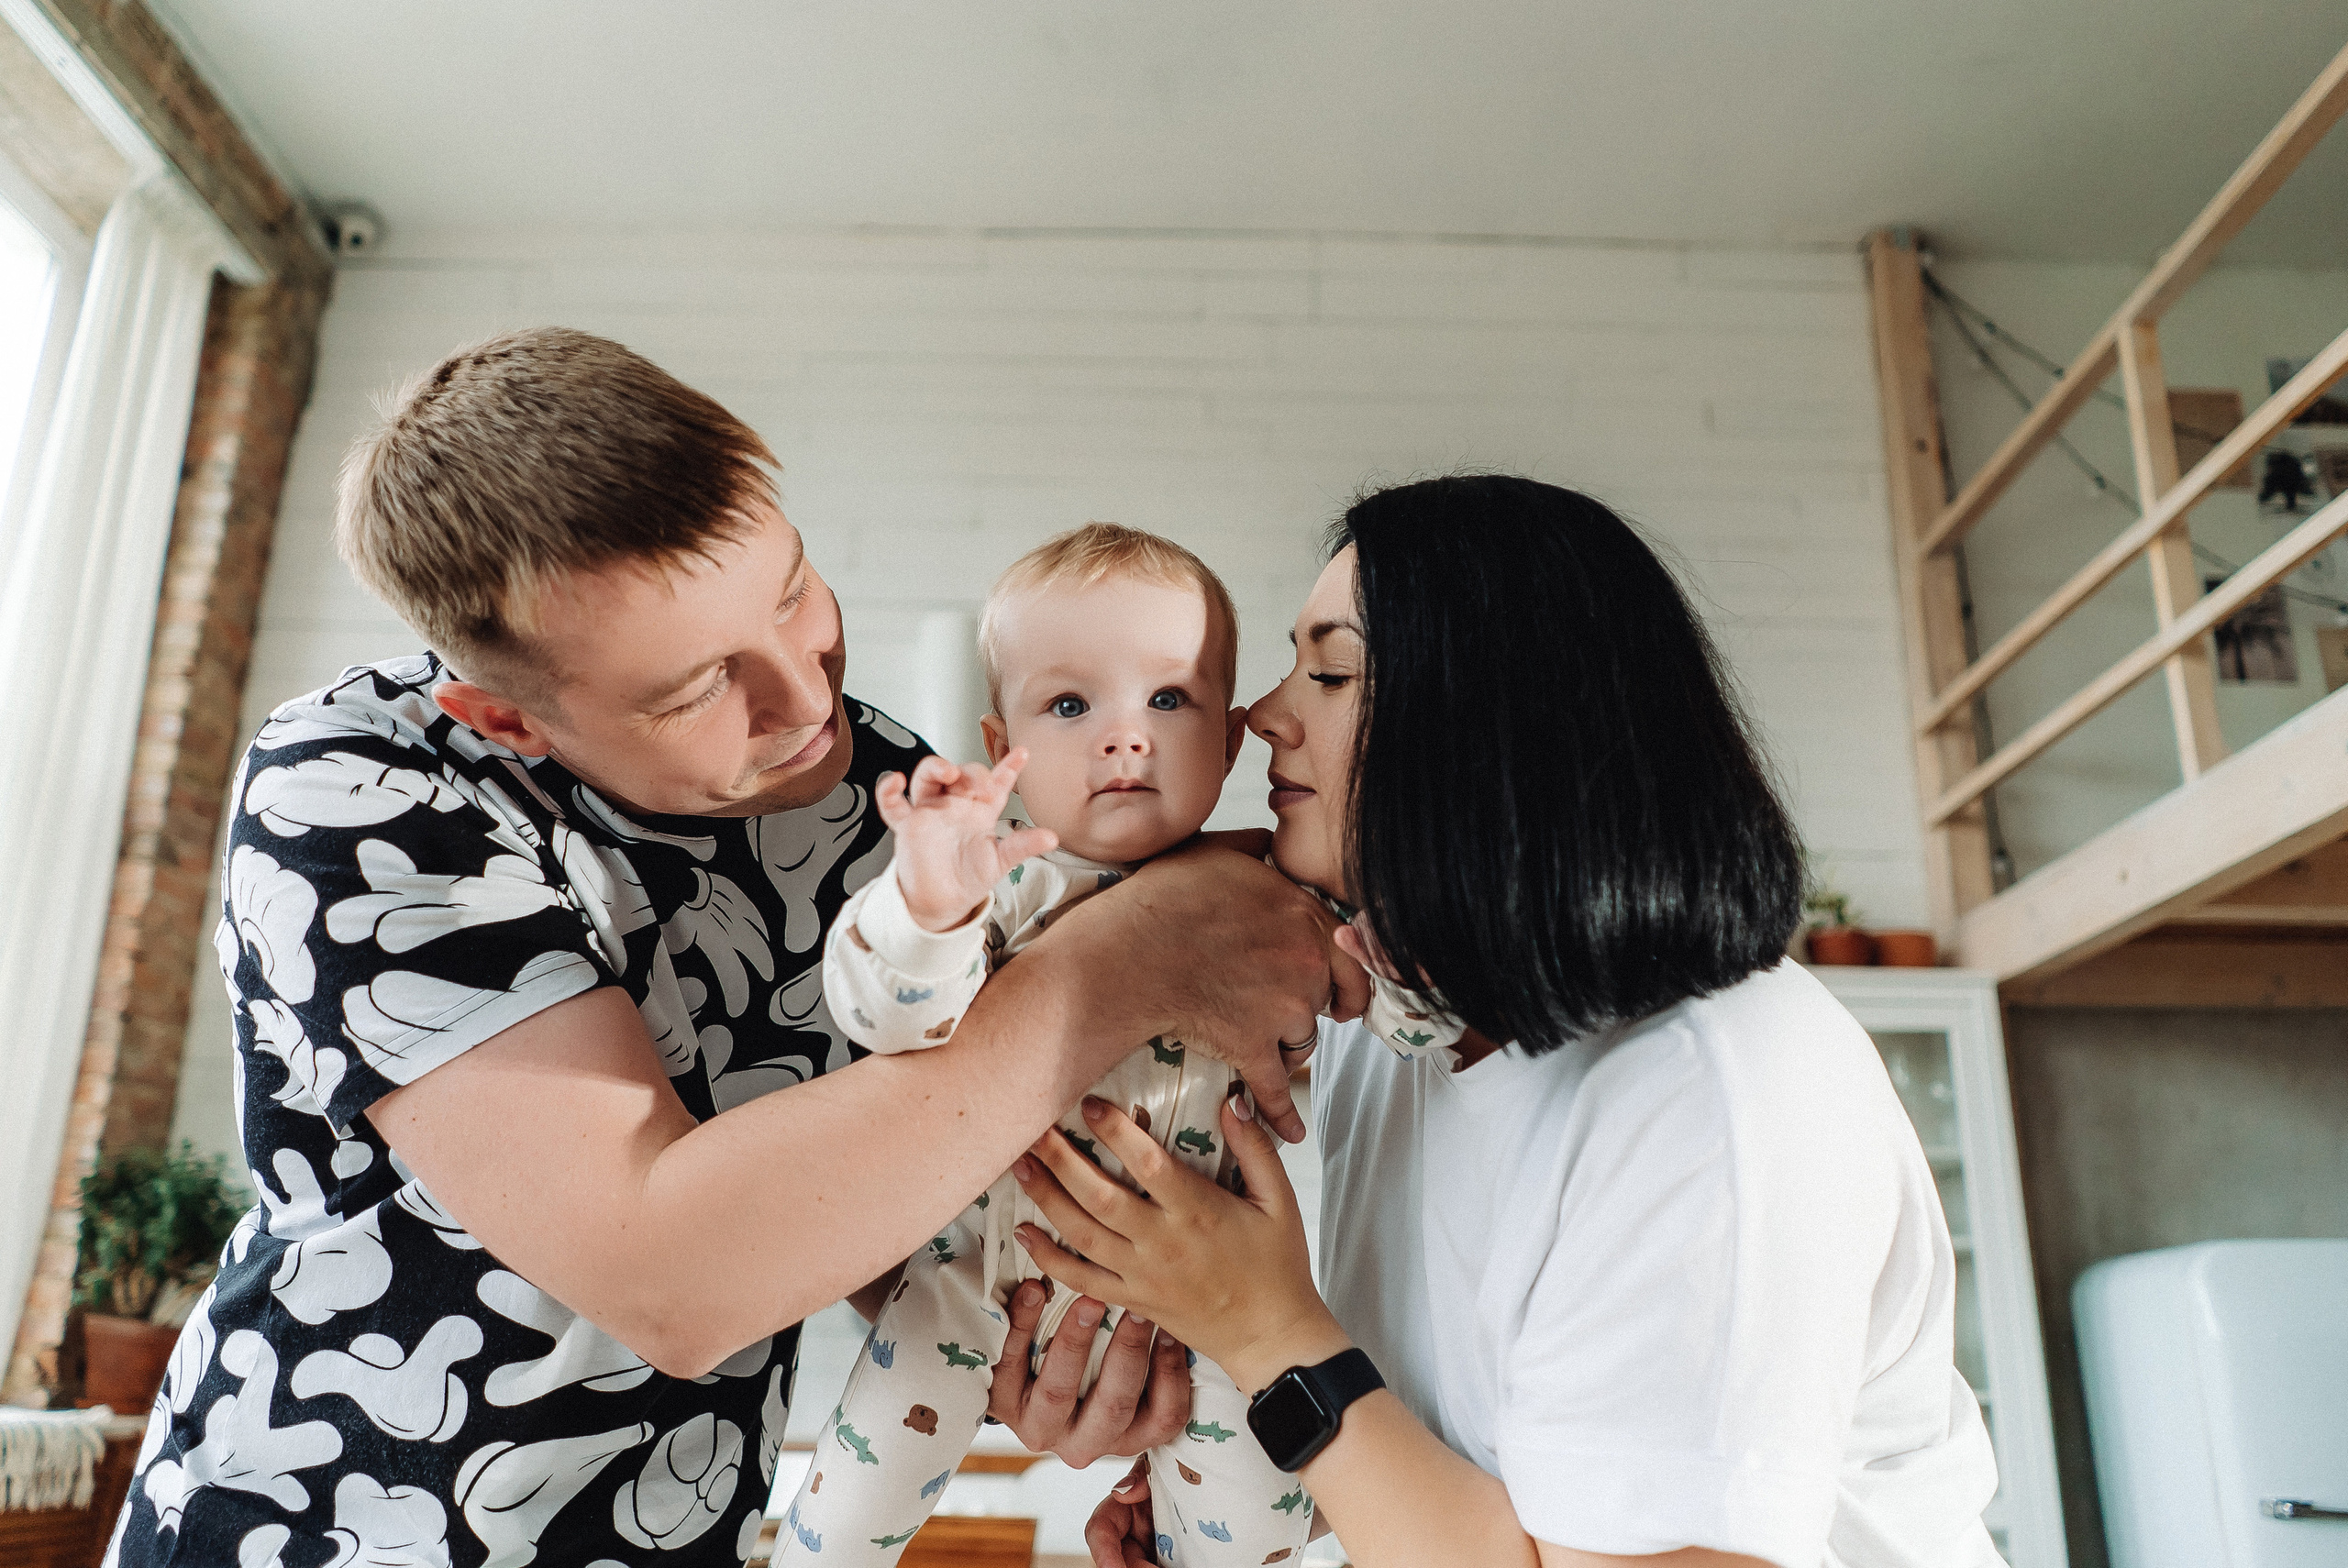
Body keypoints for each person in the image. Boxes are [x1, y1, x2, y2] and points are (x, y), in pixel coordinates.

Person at [105, 329, 1360, 1568]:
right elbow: (676, 1277)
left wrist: (1030, 1328)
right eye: (697, 687)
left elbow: (888, 1183)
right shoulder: (363, 783)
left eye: (796, 589)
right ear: (506, 714)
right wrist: (1131, 952)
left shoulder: (876, 788)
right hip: (324, 1529)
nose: (808, 701)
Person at [1012, 476, 2005, 1568]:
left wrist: (1266, 1339)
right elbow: (1474, 1486)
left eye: (1332, 671)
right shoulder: (1404, 1032)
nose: (1263, 714)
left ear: (1489, 726)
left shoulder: (1711, 1092)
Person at [779, 524, 1307, 1567]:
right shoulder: (997, 889)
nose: (1124, 737)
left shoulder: (1276, 904)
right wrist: (926, 907)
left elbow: (1391, 1006)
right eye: (1070, 706)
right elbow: (887, 1018)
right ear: (1000, 737)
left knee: (1256, 1531)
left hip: (1210, 1303)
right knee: (838, 1521)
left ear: (1233, 738)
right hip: (972, 1286)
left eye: (1168, 699)